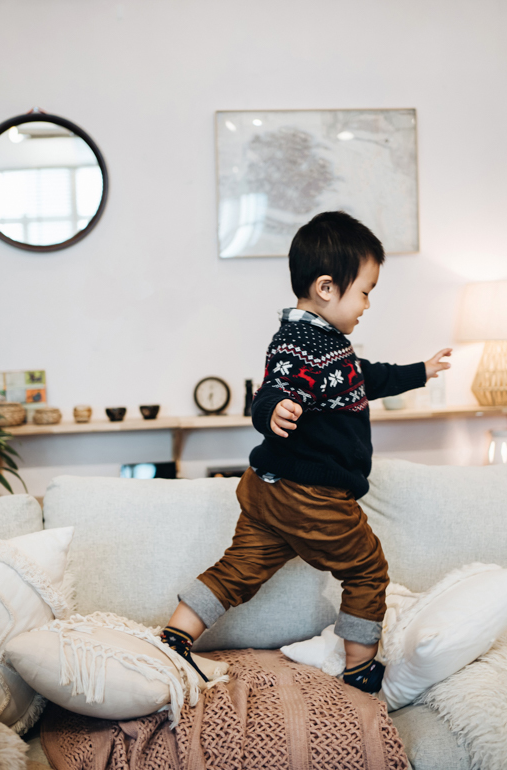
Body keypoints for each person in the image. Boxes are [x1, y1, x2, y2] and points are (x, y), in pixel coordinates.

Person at [161, 211, 451, 694]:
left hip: (270, 492)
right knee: (366, 568)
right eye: (365, 291)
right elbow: (273, 387)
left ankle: (175, 637)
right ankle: (359, 666)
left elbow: (367, 376)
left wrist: (419, 371)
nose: (367, 304)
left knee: (238, 569)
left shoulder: (332, 348)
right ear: (325, 288)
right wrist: (273, 410)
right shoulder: (300, 344)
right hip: (312, 496)